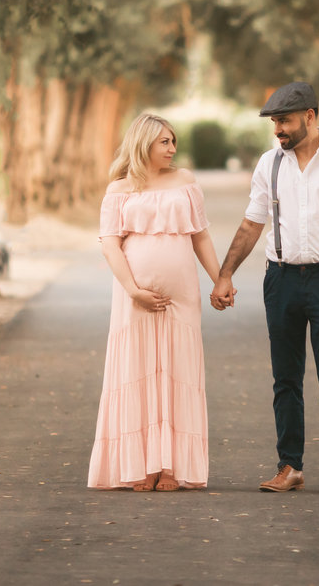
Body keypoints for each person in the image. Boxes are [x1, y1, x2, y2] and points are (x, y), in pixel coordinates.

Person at [210, 81, 319, 495]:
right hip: (281, 279)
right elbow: (252, 224)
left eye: (283, 121)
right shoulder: (269, 163)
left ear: (309, 116)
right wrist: (225, 274)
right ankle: (290, 466)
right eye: (274, 122)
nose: (277, 130)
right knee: (285, 378)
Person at [88, 113, 223, 491]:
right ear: (143, 142)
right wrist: (134, 290)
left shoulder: (186, 182)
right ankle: (143, 466)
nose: (172, 148)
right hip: (134, 298)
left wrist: (220, 279)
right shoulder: (119, 189)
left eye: (173, 141)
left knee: (178, 372)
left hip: (182, 297)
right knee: (138, 372)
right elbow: (110, 244)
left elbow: (201, 236)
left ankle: (171, 468)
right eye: (165, 141)